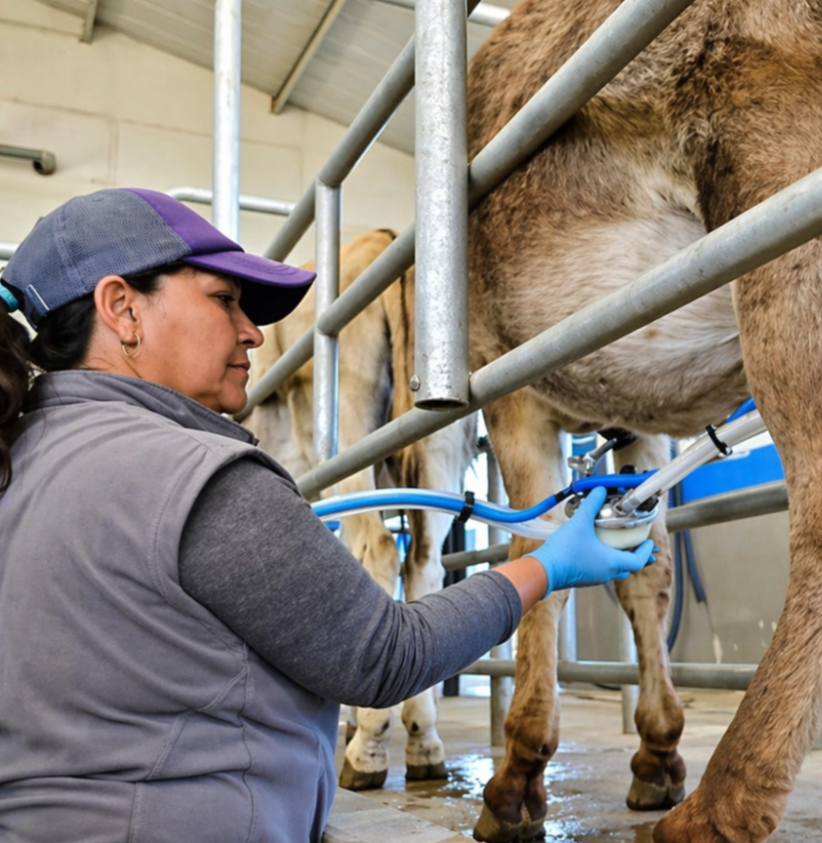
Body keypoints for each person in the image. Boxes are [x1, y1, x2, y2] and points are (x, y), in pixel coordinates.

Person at [0, 188, 654, 843]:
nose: (253, 330)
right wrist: (548, 564)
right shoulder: (196, 475)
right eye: (224, 301)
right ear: (122, 307)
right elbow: (387, 655)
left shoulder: (21, 454)